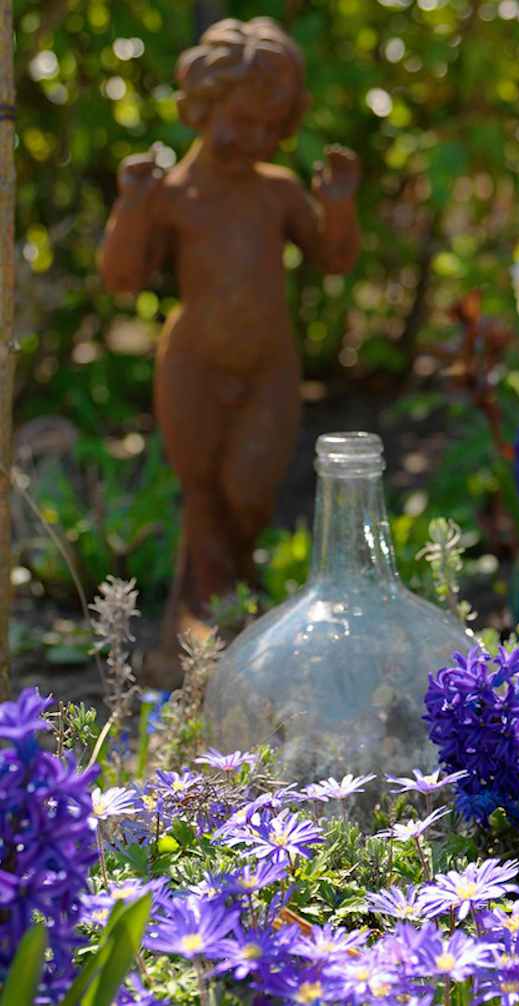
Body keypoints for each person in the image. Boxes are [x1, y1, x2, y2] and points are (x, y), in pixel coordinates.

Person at [99, 17, 361, 685]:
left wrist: (338, 207)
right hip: (192, 365)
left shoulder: (275, 190)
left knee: (248, 492)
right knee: (205, 501)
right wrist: (131, 208)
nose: (251, 140)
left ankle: (227, 618)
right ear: (201, 108)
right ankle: (211, 639)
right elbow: (123, 278)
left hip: (269, 366)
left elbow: (333, 259)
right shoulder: (174, 195)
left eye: (267, 129)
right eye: (236, 122)